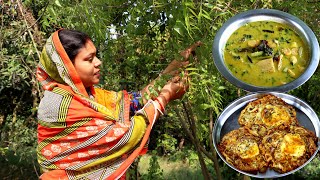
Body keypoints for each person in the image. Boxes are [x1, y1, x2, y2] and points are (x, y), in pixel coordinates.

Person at [36, 29, 201, 180]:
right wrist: (166, 96)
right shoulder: (58, 107)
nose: (98, 62)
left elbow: (137, 101)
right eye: (89, 59)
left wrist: (174, 66)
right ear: (66, 67)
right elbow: (127, 136)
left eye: (96, 56)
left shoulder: (90, 96)